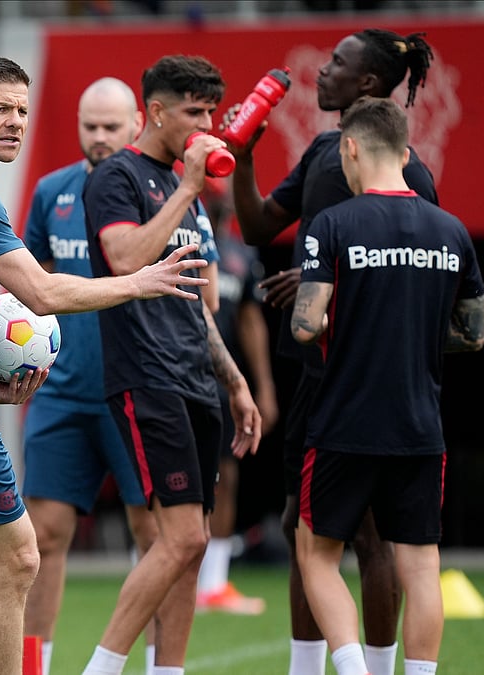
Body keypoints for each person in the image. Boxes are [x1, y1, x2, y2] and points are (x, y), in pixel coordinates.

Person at [0, 56, 210, 675]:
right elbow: (44, 295)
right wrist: (140, 280)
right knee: (19, 559)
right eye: (0, 108)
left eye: (23, 111)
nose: (15, 122)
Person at [224, 29, 437, 675]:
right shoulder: (321, 150)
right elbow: (260, 224)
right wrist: (246, 154)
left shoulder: (412, 174)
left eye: (339, 63)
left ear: (368, 85)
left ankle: (374, 666)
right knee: (302, 527)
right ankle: (307, 667)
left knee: (370, 538)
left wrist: (327, 287)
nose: (323, 70)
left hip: (371, 380)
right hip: (316, 375)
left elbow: (414, 275)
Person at [78, 54, 262, 675]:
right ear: (155, 112)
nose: (206, 123)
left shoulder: (193, 200)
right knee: (179, 537)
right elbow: (124, 257)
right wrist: (186, 186)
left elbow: (203, 306)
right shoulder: (116, 177)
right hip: (144, 375)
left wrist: (235, 383)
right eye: (193, 111)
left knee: (193, 542)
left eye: (210, 110)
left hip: (194, 377)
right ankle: (99, 668)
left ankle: (168, 671)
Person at [290, 95, 484, 675]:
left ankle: (353, 672)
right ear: (406, 152)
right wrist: (411, 332)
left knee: (317, 555)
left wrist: (347, 325)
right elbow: (473, 334)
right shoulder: (452, 231)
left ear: (349, 148)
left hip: (343, 424)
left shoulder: (333, 224)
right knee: (421, 567)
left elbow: (305, 325)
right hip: (420, 427)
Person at [18, 76, 167, 672]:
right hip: (61, 393)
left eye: (111, 126)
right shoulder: (51, 190)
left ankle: (161, 665)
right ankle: (36, 664)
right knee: (41, 539)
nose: (100, 137)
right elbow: (26, 281)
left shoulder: (155, 193)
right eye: (90, 126)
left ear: (137, 123)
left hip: (136, 389)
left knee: (155, 539)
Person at [195, 179, 278, 615]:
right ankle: (175, 579)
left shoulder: (242, 255)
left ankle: (213, 584)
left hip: (225, 385)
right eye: (213, 184)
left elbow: (252, 322)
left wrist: (262, 385)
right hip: (179, 378)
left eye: (225, 185)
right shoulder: (181, 240)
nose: (221, 192)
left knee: (225, 479)